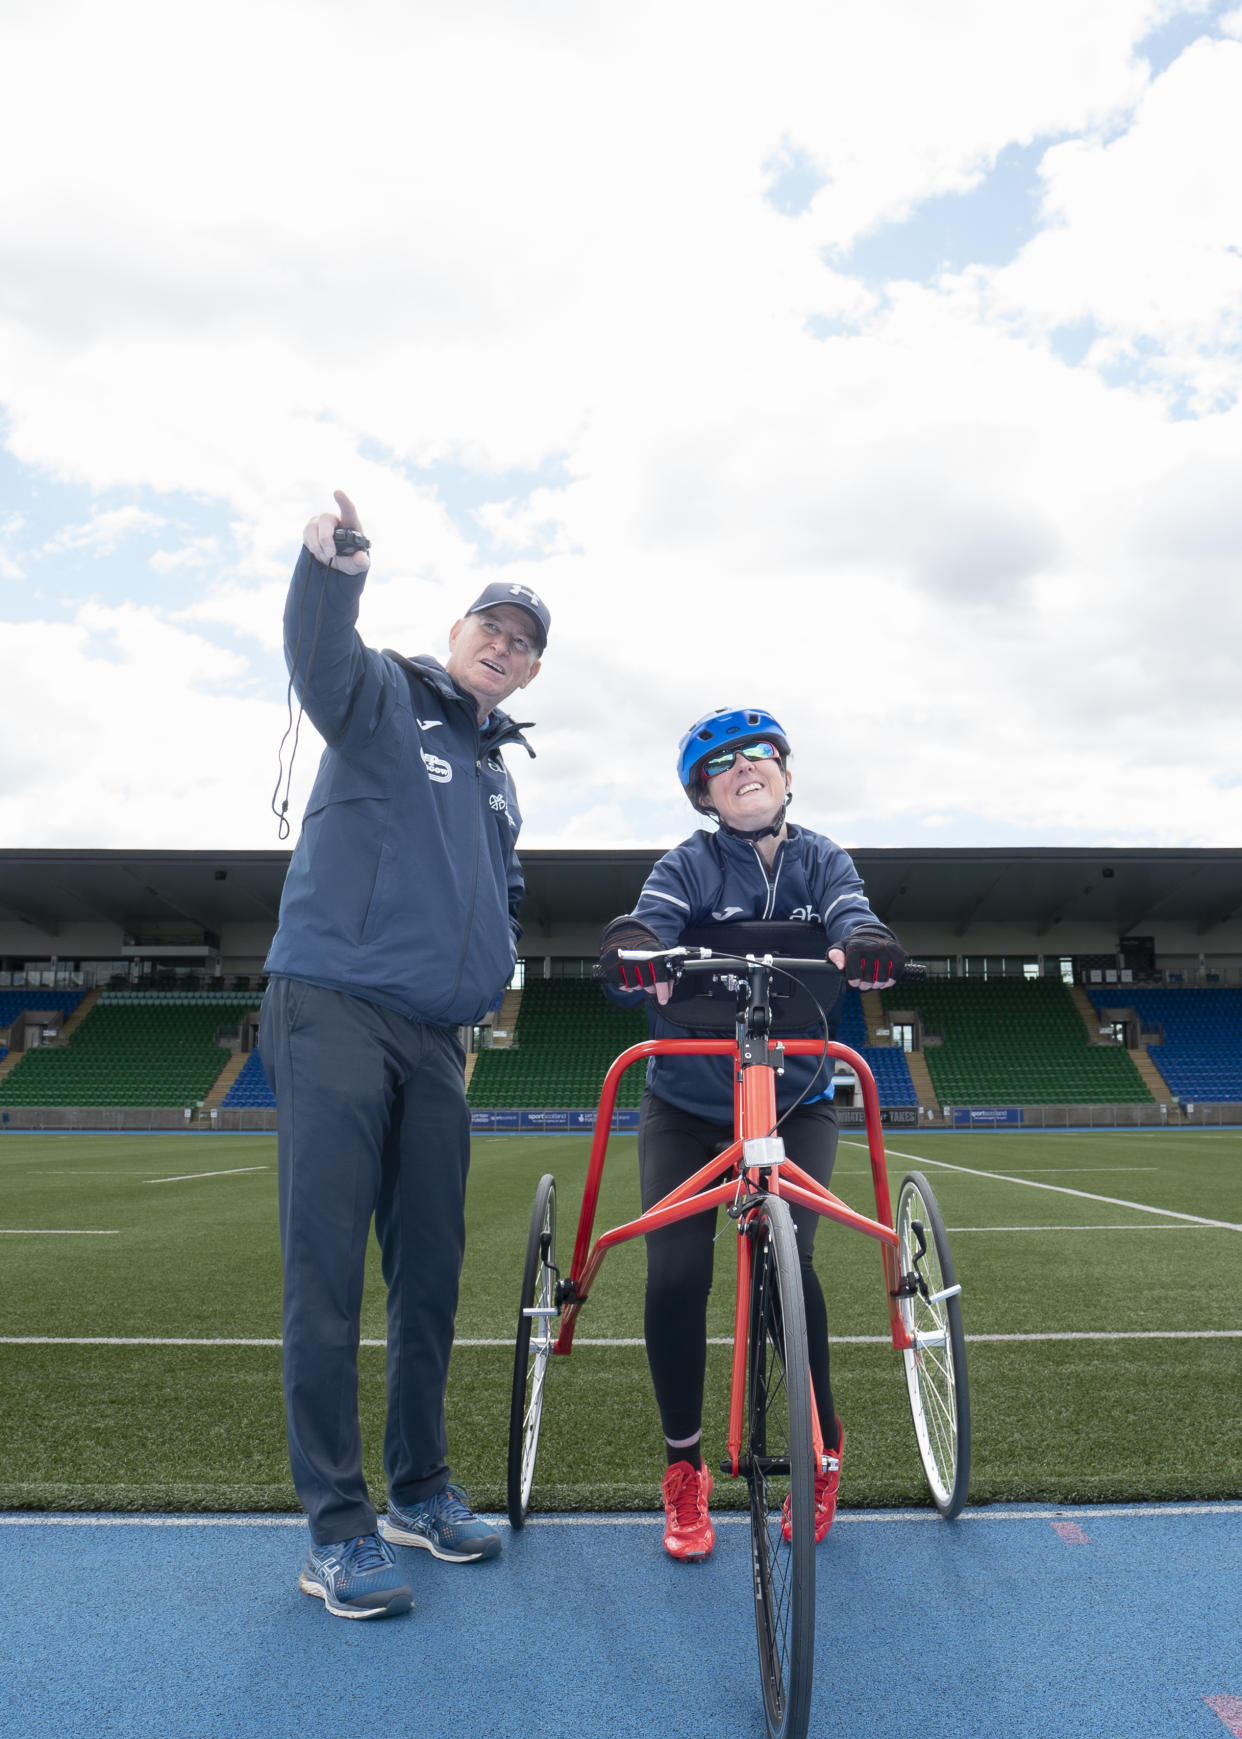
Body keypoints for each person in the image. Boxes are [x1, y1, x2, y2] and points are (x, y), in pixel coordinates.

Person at [259, 489, 548, 1619]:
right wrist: (332, 571)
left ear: (529, 674)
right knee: (322, 1272)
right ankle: (336, 1528)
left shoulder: (496, 774)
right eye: (494, 626)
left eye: (524, 644)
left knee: (428, 1273)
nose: (505, 646)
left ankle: (417, 1490)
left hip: (437, 1038)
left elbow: (500, 894)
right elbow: (318, 659)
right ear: (458, 632)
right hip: (333, 1000)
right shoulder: (384, 695)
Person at [597, 707, 904, 1562]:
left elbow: (850, 912)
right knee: (677, 1270)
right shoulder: (687, 863)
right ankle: (686, 1468)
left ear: (786, 773)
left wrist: (865, 941)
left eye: (758, 754)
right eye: (721, 763)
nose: (743, 767)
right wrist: (636, 947)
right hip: (690, 1105)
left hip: (796, 1094)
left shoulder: (821, 857)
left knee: (785, 1262)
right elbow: (650, 920)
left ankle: (819, 1444)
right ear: (705, 791)